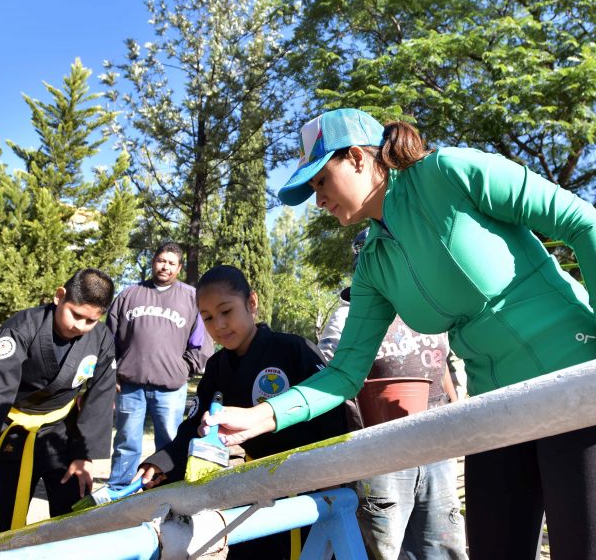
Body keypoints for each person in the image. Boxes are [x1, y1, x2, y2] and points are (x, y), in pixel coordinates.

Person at [202, 107, 596, 560]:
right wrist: (263, 416)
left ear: (355, 157)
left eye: (321, 182)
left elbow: (583, 223)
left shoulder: (452, 172)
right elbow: (345, 372)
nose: (319, 200)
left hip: (576, 380)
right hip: (498, 409)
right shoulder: (372, 265)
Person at [137, 264, 355, 559]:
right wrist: (162, 462)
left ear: (252, 303)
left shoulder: (294, 349)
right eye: (208, 318)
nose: (219, 325)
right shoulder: (215, 368)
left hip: (306, 490)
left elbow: (333, 413)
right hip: (248, 491)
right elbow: (195, 426)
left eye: (226, 311)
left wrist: (333, 473)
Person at [319, 228, 466, 560]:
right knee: (386, 547)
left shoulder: (427, 309)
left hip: (437, 445)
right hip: (379, 454)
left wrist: (459, 422)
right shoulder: (346, 318)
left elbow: (441, 366)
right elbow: (330, 385)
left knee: (444, 543)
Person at [0, 268, 116, 540]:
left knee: (74, 504)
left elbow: (100, 397)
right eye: (75, 314)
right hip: (12, 426)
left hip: (61, 431)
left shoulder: (101, 339)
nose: (80, 326)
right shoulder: (21, 327)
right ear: (59, 296)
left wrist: (84, 456)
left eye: (90, 320)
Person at [107, 241, 211, 489]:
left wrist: (183, 368)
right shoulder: (129, 295)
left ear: (179, 267)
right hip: (130, 386)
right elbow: (107, 340)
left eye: (171, 263)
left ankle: (164, 491)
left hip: (170, 388)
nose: (165, 267)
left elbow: (202, 344)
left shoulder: (191, 298)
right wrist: (111, 374)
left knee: (169, 444)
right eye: (161, 260)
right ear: (153, 261)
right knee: (126, 443)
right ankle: (118, 494)